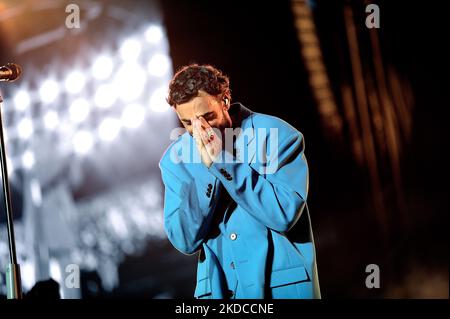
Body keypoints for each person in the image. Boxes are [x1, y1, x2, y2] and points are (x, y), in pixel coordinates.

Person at [159, 64, 321, 299]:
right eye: (187, 123)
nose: (199, 129)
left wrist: (221, 162)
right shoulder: (174, 162)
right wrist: (207, 169)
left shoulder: (277, 135)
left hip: (280, 289)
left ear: (224, 100)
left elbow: (284, 214)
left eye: (208, 117)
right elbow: (184, 240)